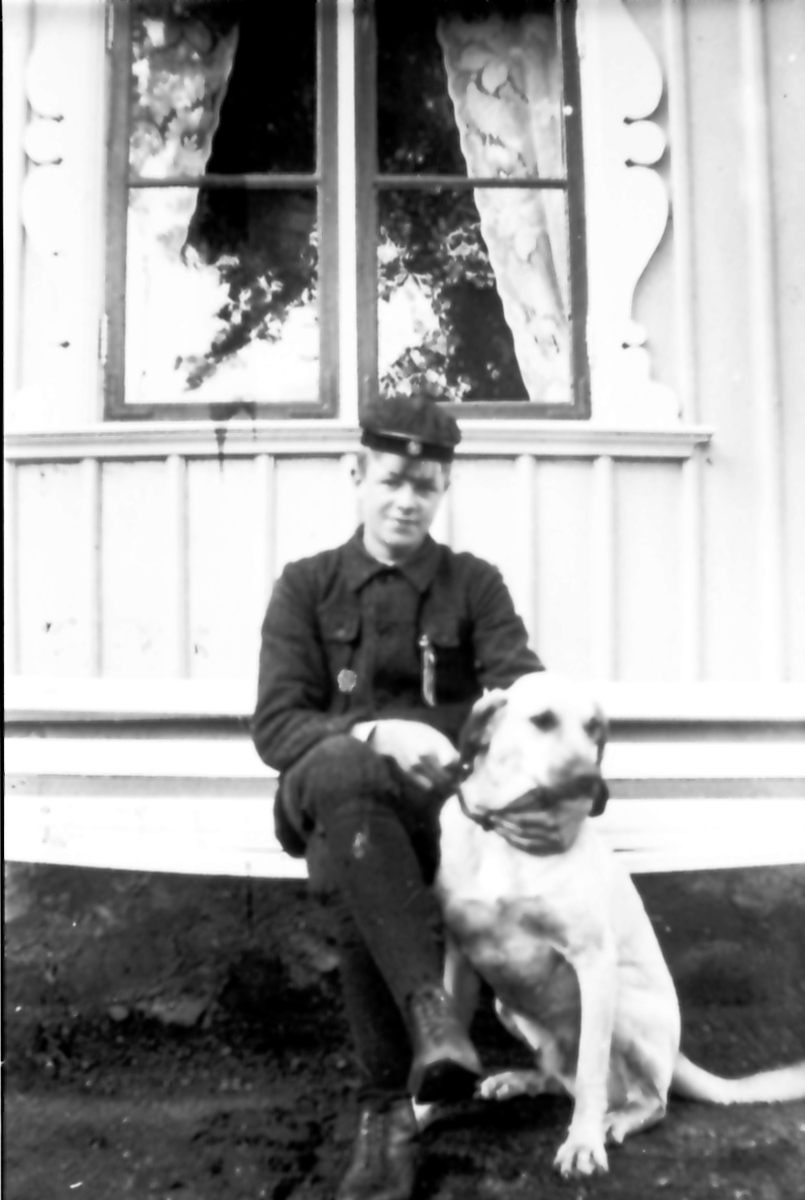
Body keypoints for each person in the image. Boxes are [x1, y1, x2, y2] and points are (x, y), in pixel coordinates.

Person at [252, 393, 547, 1200]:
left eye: (425, 485)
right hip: (326, 795)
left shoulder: (472, 584)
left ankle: (388, 1113)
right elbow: (277, 726)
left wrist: (469, 744)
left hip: (432, 818)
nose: (406, 501)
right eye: (390, 480)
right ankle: (430, 1015)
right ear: (355, 474)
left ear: (444, 487)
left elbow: (522, 693)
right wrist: (379, 732)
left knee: (359, 859)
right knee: (341, 774)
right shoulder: (306, 586)